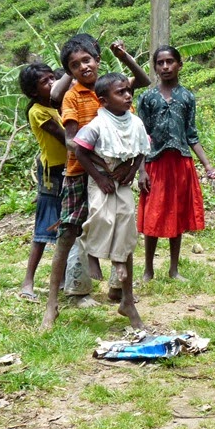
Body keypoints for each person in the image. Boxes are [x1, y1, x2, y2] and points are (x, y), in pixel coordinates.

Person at [42, 33, 151, 330]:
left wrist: (132, 167)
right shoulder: (73, 96)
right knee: (67, 233)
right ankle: (51, 306)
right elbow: (72, 142)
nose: (83, 67)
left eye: (87, 60)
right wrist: (101, 169)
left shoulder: (115, 89)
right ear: (70, 71)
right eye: (75, 65)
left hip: (118, 175)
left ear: (97, 60)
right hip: (81, 173)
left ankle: (127, 300)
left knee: (125, 230)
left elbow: (136, 132)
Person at [74, 72, 150, 328]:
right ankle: (93, 254)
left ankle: (119, 267)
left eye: (128, 91)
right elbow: (80, 151)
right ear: (104, 101)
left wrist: (131, 170)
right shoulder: (97, 125)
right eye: (121, 92)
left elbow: (142, 149)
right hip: (101, 179)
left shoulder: (136, 123)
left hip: (122, 179)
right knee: (101, 216)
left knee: (126, 219)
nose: (128, 96)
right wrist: (100, 177)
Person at [136, 45, 215, 282]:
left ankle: (174, 269)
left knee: (177, 214)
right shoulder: (147, 98)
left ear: (179, 65)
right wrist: (141, 170)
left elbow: (191, 135)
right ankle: (148, 270)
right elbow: (142, 137)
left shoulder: (187, 97)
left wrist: (208, 165)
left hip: (180, 163)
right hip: (155, 164)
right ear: (155, 68)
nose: (165, 67)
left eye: (170, 62)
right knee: (153, 215)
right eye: (160, 63)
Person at [16, 62, 71, 301]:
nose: (52, 84)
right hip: (52, 172)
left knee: (68, 222)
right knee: (45, 226)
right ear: (34, 91)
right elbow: (64, 139)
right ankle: (28, 282)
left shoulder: (58, 104)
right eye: (45, 82)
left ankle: (64, 280)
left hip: (69, 169)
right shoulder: (38, 111)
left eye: (53, 78)